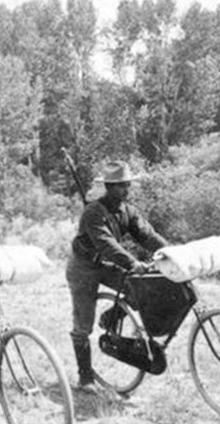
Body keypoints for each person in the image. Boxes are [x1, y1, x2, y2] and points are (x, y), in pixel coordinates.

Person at [66, 161, 168, 391]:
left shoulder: (127, 211)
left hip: (104, 265)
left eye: (128, 185)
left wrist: (171, 253)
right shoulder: (93, 213)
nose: (126, 190)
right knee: (83, 325)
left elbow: (148, 236)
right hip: (83, 269)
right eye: (121, 186)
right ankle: (85, 378)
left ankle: (112, 316)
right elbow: (106, 245)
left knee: (138, 291)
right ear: (109, 187)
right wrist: (133, 263)